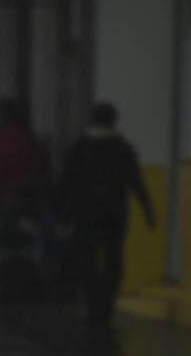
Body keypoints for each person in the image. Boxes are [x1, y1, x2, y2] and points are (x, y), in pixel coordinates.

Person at [56, 101, 156, 322]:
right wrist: (148, 210)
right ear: (113, 121)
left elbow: (65, 184)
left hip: (85, 213)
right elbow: (136, 182)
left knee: (87, 257)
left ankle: (93, 301)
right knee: (114, 257)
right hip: (114, 213)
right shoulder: (122, 148)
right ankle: (108, 300)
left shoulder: (78, 147)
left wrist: (62, 215)